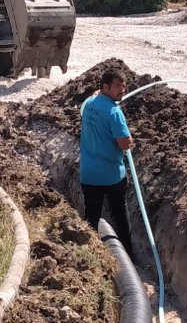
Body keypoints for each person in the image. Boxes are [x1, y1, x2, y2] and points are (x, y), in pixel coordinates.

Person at [79, 68, 134, 256]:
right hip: (111, 176)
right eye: (118, 86)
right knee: (120, 215)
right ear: (105, 87)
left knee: (91, 217)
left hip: (88, 174)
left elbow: (89, 101)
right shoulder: (114, 112)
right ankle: (128, 254)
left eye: (124, 86)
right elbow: (124, 143)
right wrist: (131, 141)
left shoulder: (89, 105)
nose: (123, 90)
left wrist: (97, 94)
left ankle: (89, 255)